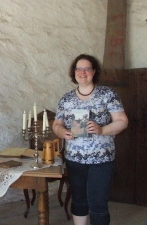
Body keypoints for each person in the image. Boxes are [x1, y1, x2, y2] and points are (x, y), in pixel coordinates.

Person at [52, 54, 128, 225]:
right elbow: (57, 124)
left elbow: (123, 121)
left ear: (94, 72)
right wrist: (62, 132)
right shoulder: (66, 99)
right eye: (79, 68)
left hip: (101, 159)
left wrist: (102, 130)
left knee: (98, 203)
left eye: (87, 68)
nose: (83, 72)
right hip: (74, 159)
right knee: (79, 200)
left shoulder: (107, 94)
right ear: (74, 72)